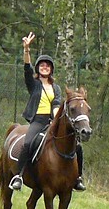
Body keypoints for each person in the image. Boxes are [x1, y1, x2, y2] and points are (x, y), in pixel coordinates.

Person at [9, 32, 86, 191]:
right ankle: (19, 175)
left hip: (52, 121)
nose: (45, 67)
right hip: (37, 120)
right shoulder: (34, 84)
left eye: (48, 65)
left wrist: (57, 118)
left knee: (77, 146)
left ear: (51, 70)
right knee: (29, 142)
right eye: (42, 65)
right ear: (38, 68)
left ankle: (78, 178)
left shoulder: (56, 88)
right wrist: (26, 50)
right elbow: (26, 69)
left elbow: (57, 103)